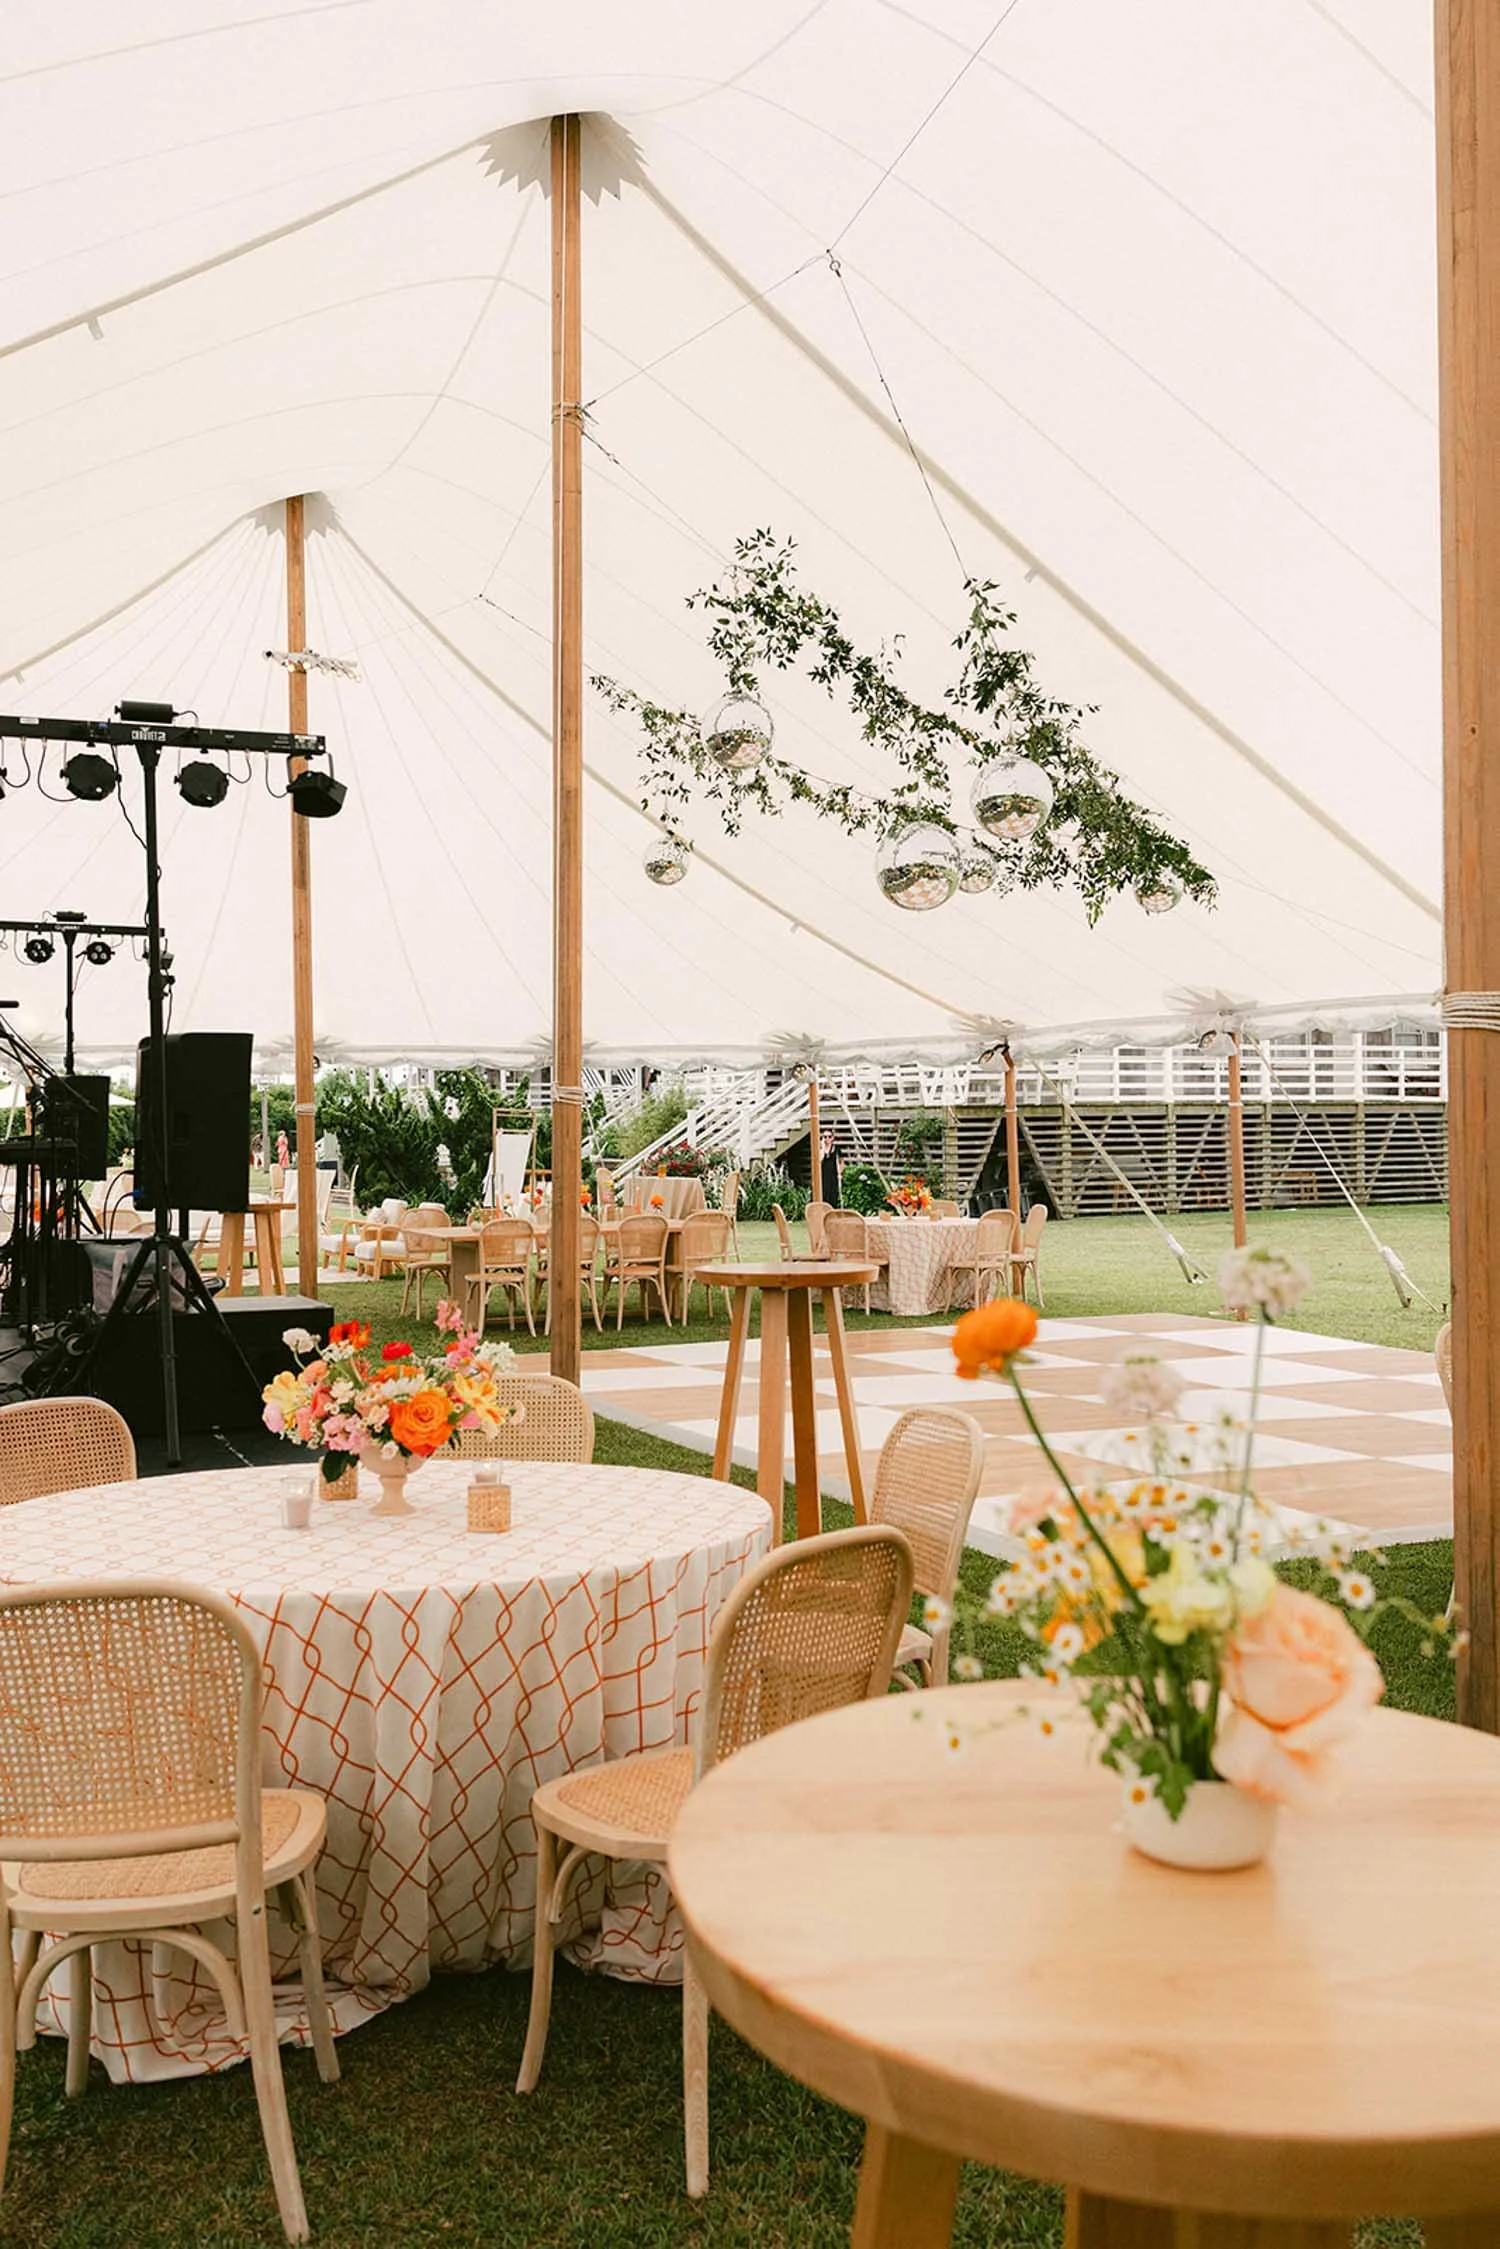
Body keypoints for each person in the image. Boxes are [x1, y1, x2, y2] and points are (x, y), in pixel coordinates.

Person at [817, 1129, 842, 1206]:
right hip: (823, 1175)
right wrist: (823, 1148)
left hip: (833, 1175)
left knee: (833, 1195)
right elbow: (820, 1160)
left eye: (829, 1137)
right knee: (824, 1195)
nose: (827, 1139)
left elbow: (840, 1161)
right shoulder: (821, 1149)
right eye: (825, 1137)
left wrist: (840, 1173)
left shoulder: (836, 1149)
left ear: (833, 1138)